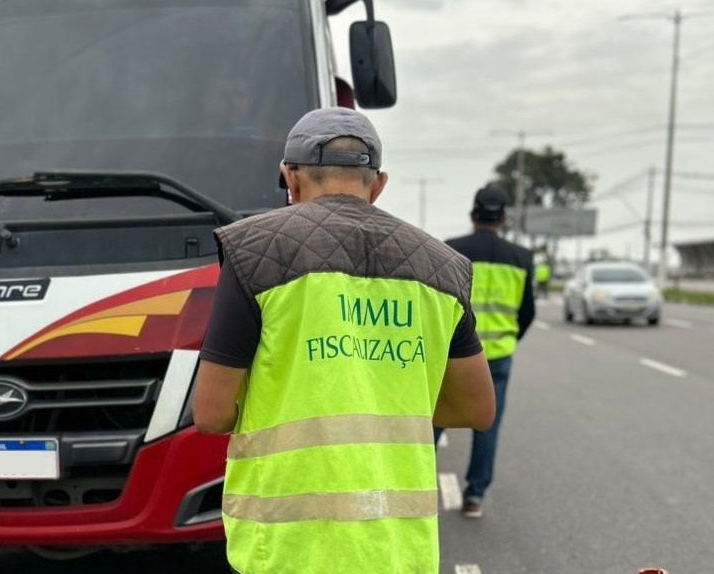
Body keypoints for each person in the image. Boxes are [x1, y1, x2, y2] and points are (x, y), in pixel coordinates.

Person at [192, 107, 496, 574]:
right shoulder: (442, 267)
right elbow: (476, 409)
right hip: (397, 546)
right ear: (378, 184)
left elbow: (211, 414)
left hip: (287, 546)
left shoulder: (255, 252)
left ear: (289, 178)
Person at [438, 185, 535, 519]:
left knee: (434, 421)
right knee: (487, 425)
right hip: (499, 356)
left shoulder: (452, 251)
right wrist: (508, 340)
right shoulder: (522, 258)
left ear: (472, 214)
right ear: (504, 218)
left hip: (452, 355)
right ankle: (475, 496)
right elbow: (527, 312)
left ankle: (414, 488)